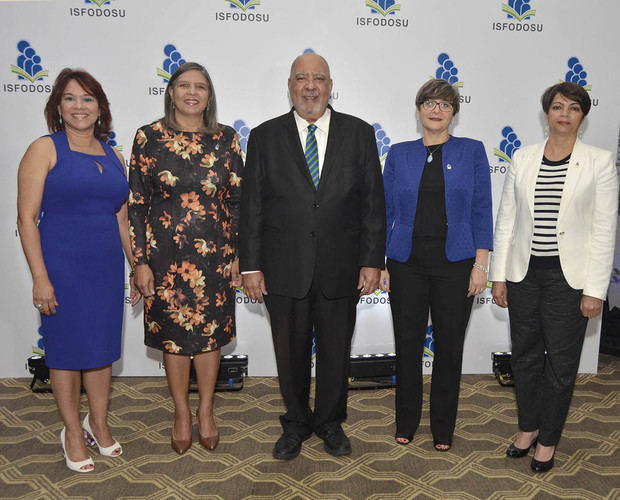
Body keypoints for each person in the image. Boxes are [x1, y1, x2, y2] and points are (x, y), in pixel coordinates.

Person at [239, 53, 385, 460]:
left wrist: (373, 260)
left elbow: (373, 202)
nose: (310, 86)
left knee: (337, 351)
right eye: (302, 78)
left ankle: (330, 421)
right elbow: (251, 205)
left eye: (318, 79)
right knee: (290, 353)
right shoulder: (265, 136)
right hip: (284, 269)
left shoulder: (359, 133)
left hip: (342, 267)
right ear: (290, 85)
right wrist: (251, 265)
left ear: (329, 85)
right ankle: (297, 421)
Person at [490, 82, 618, 472]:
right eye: (557, 106)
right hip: (524, 276)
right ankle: (527, 428)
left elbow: (602, 229)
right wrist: (499, 276)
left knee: (561, 365)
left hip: (571, 281)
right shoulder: (523, 158)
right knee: (525, 358)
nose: (564, 113)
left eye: (574, 108)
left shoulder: (600, 161)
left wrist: (595, 290)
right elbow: (507, 219)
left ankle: (548, 438)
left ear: (583, 116)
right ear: (546, 113)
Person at [17, 68, 139, 472]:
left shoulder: (113, 154)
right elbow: (26, 218)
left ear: (100, 107)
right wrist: (40, 277)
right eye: (70, 98)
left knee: (101, 351)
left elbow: (123, 221)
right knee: (67, 353)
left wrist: (137, 265)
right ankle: (71, 430)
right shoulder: (44, 148)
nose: (79, 106)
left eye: (88, 98)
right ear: (57, 106)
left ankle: (98, 424)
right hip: (61, 267)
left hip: (105, 268)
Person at [129, 62, 243, 455]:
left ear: (209, 96)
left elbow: (239, 201)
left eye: (200, 87)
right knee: (174, 339)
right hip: (164, 258)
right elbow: (137, 204)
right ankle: (181, 413)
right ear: (171, 92)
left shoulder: (227, 139)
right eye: (183, 85)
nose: (191, 92)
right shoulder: (148, 138)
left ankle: (206, 411)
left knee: (210, 337)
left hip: (215, 255)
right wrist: (139, 262)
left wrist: (237, 254)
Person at [380, 79, 493, 451]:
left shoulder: (472, 151)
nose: (436, 109)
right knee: (407, 345)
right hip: (405, 263)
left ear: (454, 113)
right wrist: (381, 263)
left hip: (456, 264)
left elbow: (481, 210)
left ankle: (443, 428)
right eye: (429, 102)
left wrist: (481, 265)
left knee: (450, 348)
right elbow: (385, 213)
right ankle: (406, 421)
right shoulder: (399, 154)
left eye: (445, 104)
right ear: (417, 110)